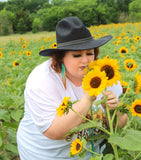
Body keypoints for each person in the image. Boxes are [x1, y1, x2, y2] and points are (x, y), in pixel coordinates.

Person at [17, 16, 127, 160]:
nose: (86, 60)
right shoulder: (43, 80)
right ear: (61, 57)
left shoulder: (106, 76)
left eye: (90, 53)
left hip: (90, 152)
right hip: (45, 153)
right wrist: (88, 98)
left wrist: (114, 111)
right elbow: (54, 132)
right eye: (77, 55)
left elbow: (119, 123)